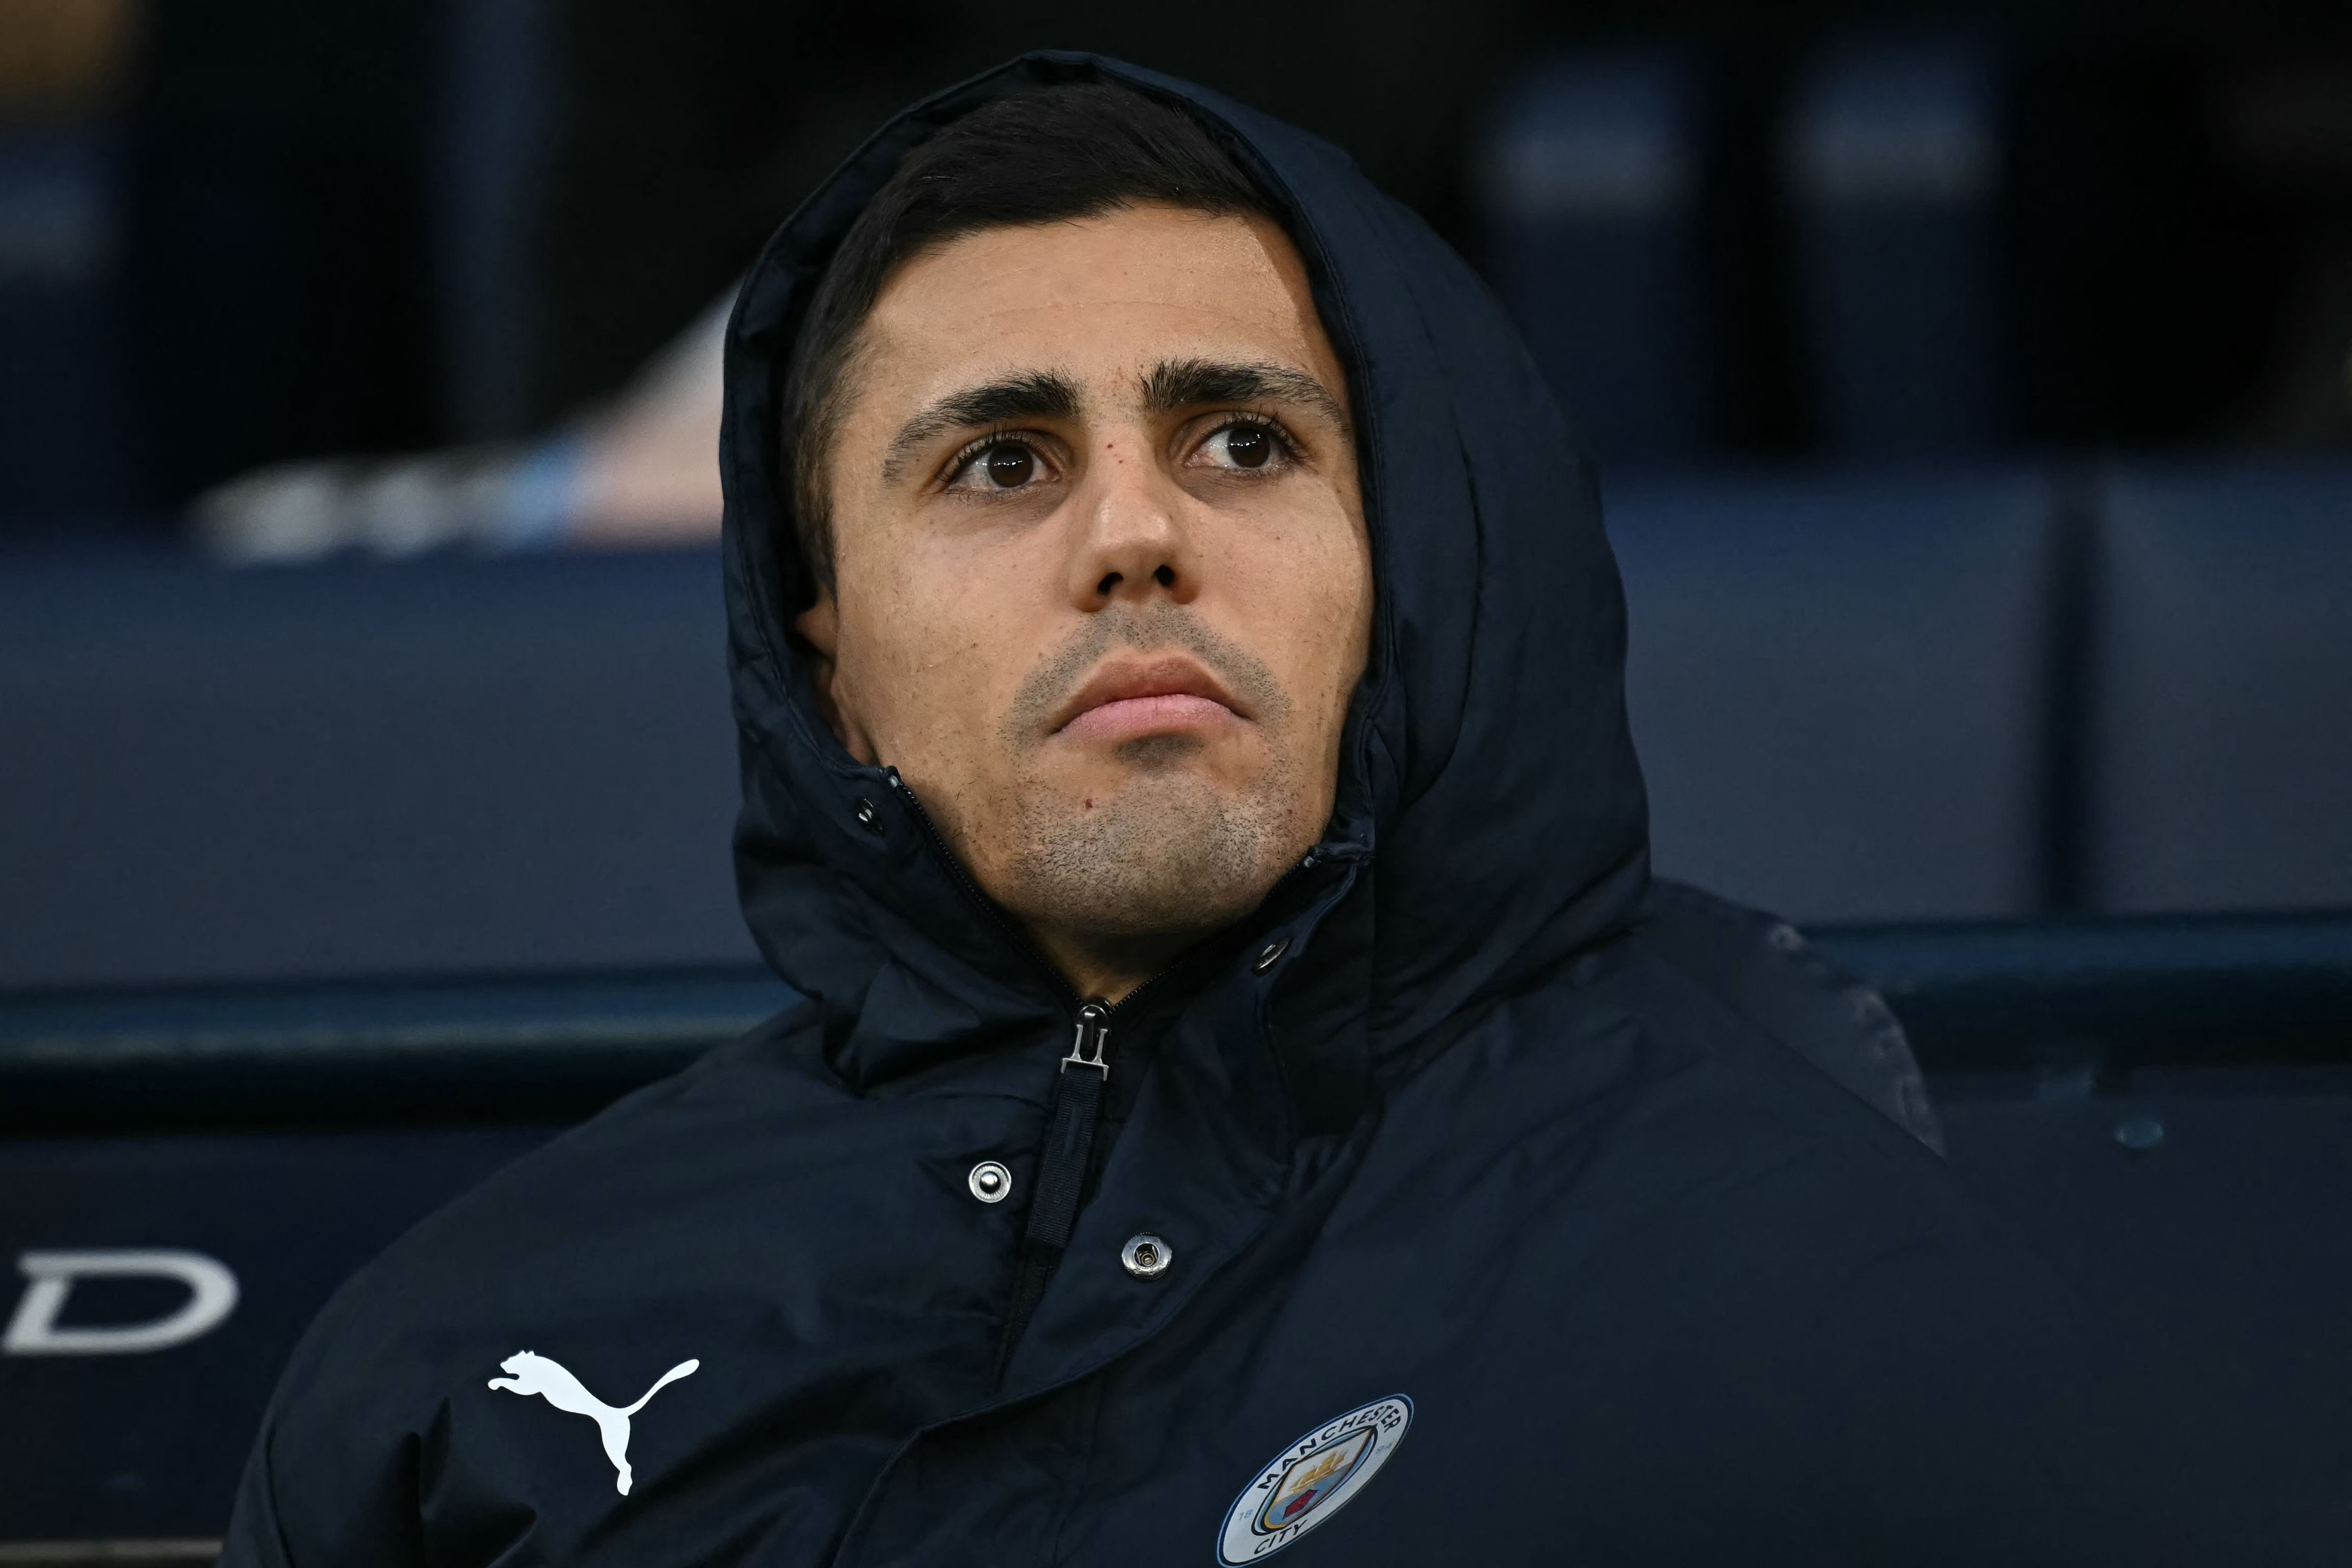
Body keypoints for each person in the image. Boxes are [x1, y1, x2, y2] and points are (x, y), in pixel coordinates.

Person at [220, 56, 2225, 1565]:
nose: (1131, 536)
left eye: (1244, 440)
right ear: (826, 647)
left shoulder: (1807, 1290)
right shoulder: (460, 1351)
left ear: (1416, 563)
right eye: (999, 465)